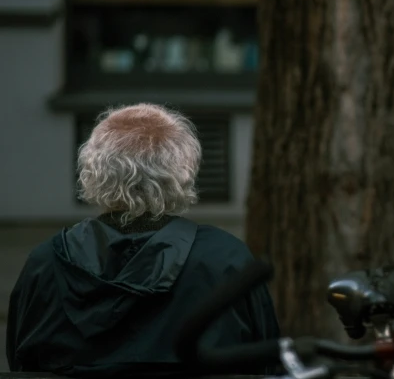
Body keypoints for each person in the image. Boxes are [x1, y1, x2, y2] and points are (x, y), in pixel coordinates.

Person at [6, 103, 279, 377]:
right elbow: (265, 363)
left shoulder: (46, 264)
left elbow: (20, 362)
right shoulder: (225, 261)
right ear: (183, 171)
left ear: (93, 171)